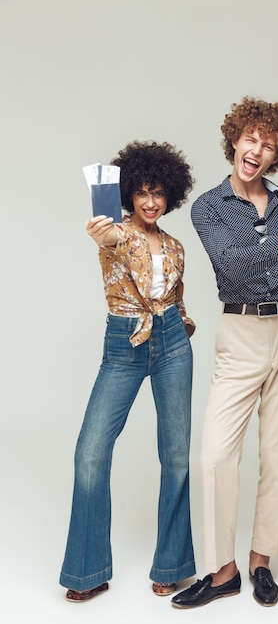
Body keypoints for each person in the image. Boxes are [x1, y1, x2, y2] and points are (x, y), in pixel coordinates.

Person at [171, 97, 278, 609]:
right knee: (215, 454)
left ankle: (261, 561)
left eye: (268, 145)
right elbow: (232, 271)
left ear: (276, 155)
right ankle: (222, 571)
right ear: (234, 140)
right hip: (241, 331)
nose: (256, 151)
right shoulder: (208, 207)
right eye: (250, 139)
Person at [60, 140, 196, 601]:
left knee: (176, 455)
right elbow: (109, 239)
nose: (151, 202)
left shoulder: (176, 245)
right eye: (141, 192)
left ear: (170, 195)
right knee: (91, 452)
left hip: (173, 343)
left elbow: (176, 300)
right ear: (128, 196)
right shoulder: (117, 233)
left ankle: (173, 564)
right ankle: (87, 571)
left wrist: (180, 327)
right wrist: (101, 232)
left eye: (158, 193)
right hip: (124, 345)